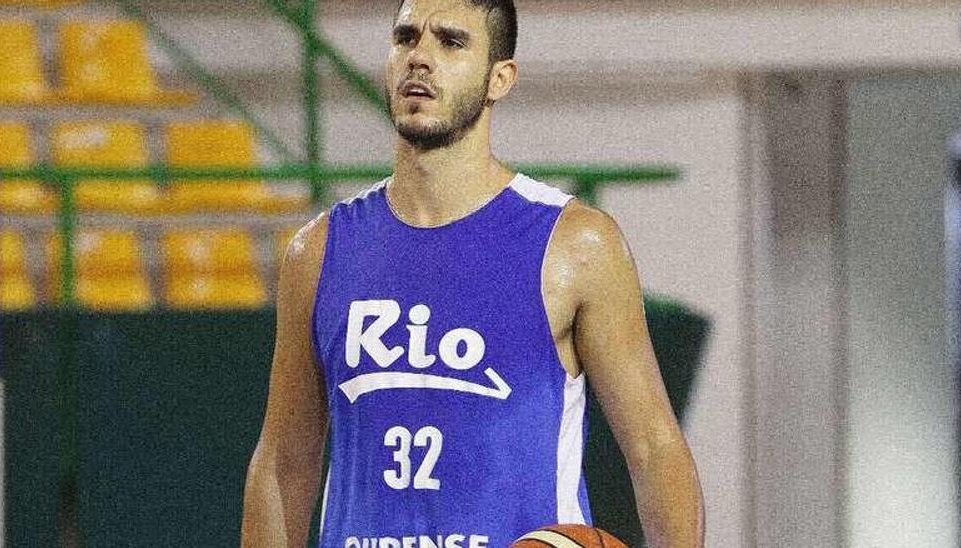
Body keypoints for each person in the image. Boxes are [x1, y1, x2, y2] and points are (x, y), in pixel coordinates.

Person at [241, 1, 704, 546]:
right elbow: (283, 463)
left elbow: (654, 448)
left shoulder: (575, 244)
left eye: (450, 42)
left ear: (499, 79)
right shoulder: (318, 251)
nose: (420, 58)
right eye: (406, 38)